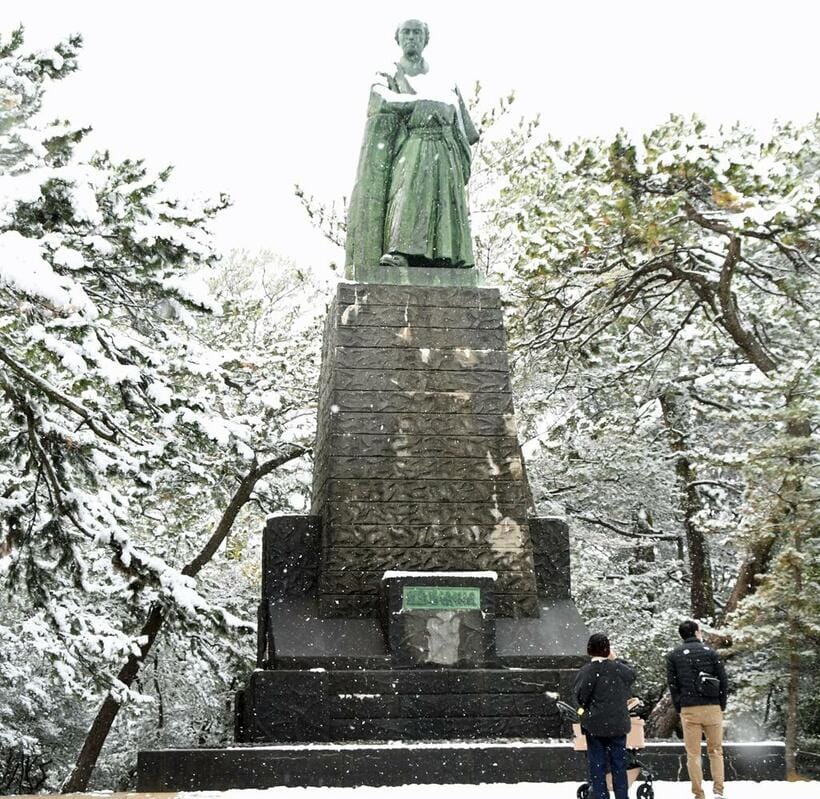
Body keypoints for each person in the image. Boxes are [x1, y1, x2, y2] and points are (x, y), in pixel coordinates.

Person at [345, 19, 479, 275]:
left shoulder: (444, 78)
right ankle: (401, 251)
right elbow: (380, 98)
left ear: (425, 38)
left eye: (417, 32)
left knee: (444, 201)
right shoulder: (389, 71)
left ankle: (446, 256)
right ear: (397, 38)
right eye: (406, 32)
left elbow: (468, 129)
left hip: (445, 149)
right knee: (407, 194)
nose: (411, 37)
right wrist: (421, 102)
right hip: (413, 144)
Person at [666, 620, 729, 799]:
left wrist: (680, 706)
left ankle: (698, 793)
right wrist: (720, 704)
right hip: (712, 707)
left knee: (693, 753)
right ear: (696, 632)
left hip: (689, 708)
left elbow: (673, 685)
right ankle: (718, 790)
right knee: (716, 750)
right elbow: (723, 681)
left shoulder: (674, 656)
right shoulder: (711, 653)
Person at [574, 633, 636, 799]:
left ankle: (601, 795)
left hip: (595, 725)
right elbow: (632, 675)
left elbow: (580, 697)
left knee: (597, 764)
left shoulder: (587, 671)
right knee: (619, 764)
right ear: (608, 650)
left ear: (589, 650)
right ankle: (622, 795)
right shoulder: (619, 669)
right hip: (618, 724)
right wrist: (616, 660)